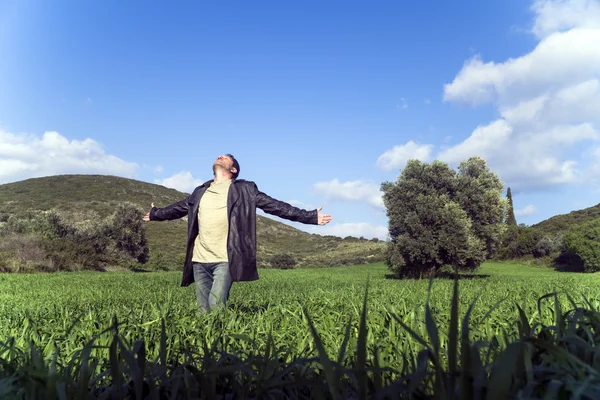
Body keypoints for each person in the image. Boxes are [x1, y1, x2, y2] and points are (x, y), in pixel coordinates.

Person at [143, 154, 332, 312]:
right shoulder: (200, 192)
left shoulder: (245, 190)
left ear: (233, 169)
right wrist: (155, 214)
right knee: (203, 310)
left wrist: (310, 217)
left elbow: (276, 207)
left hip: (226, 258)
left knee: (216, 305)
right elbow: (177, 209)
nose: (220, 156)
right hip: (200, 259)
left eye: (225, 157)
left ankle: (222, 347)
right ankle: (205, 350)